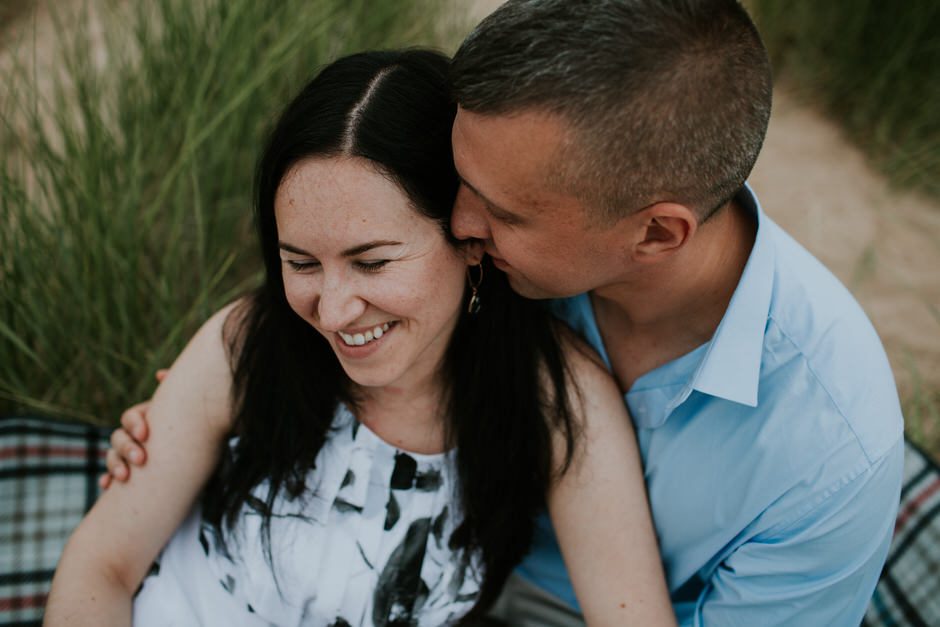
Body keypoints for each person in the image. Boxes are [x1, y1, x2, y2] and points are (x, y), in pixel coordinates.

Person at [104, 1, 906, 625]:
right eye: (460, 182)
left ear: (655, 233)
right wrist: (207, 418)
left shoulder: (829, 455)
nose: (459, 226)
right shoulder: (491, 268)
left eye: (501, 212)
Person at [44, 49, 675, 626]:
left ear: (468, 240)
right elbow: (103, 565)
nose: (335, 310)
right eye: (302, 263)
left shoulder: (557, 403)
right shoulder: (251, 342)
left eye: (372, 262)